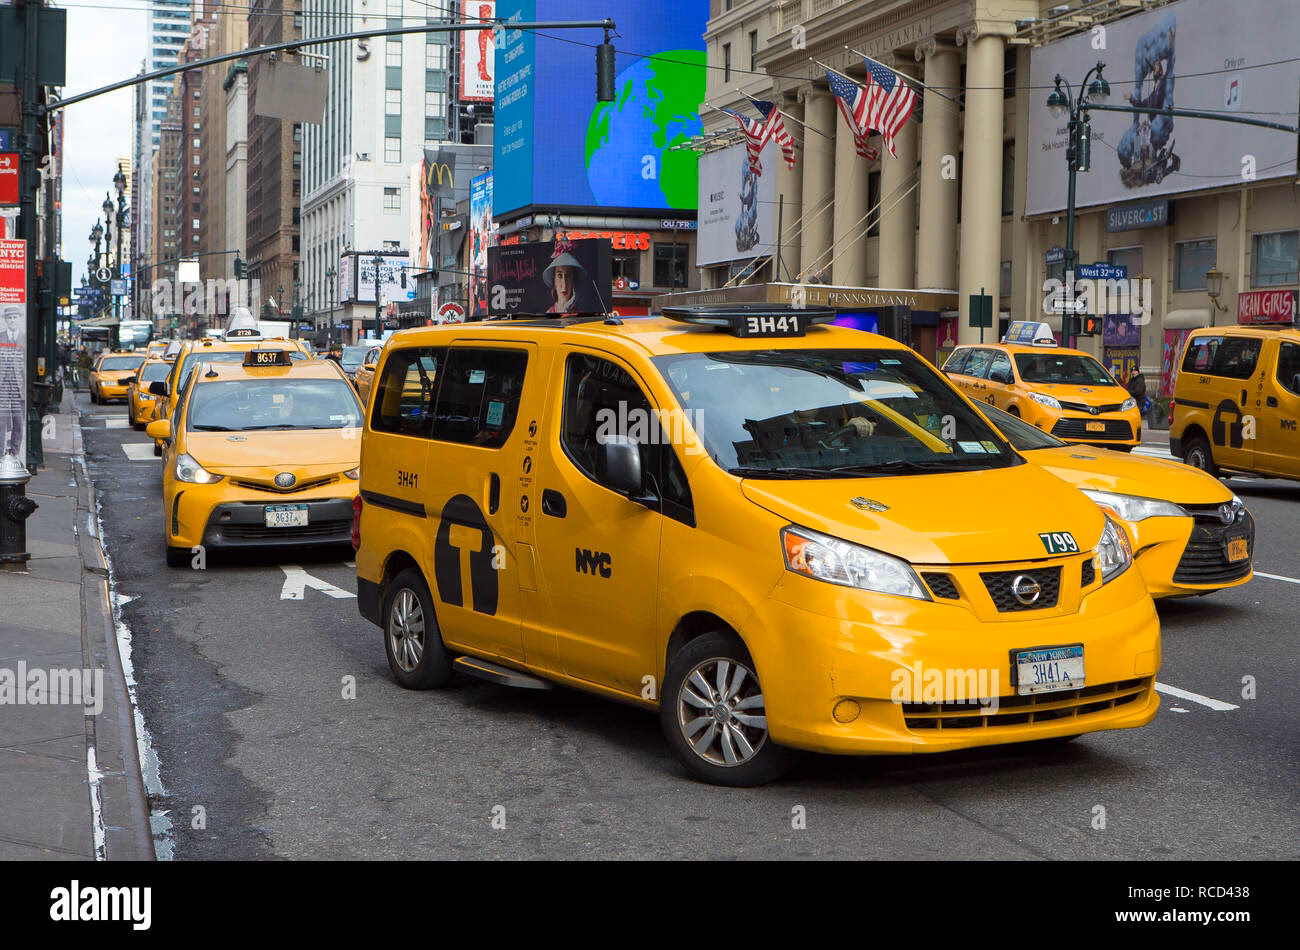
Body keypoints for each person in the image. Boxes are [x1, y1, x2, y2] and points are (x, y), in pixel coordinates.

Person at [0, 304, 25, 458]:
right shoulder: (0, 337)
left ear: (19, 319)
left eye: (15, 317)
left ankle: (15, 453)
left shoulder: (24, 337)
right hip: (2, 384)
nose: (12, 320)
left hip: (18, 384)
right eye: (10, 318)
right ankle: (0, 453)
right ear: (6, 320)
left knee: (18, 419)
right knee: (1, 419)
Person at [543, 238, 586, 314]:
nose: (564, 284)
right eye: (559, 276)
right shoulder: (548, 313)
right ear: (554, 282)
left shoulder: (580, 315)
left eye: (568, 276)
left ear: (573, 280)